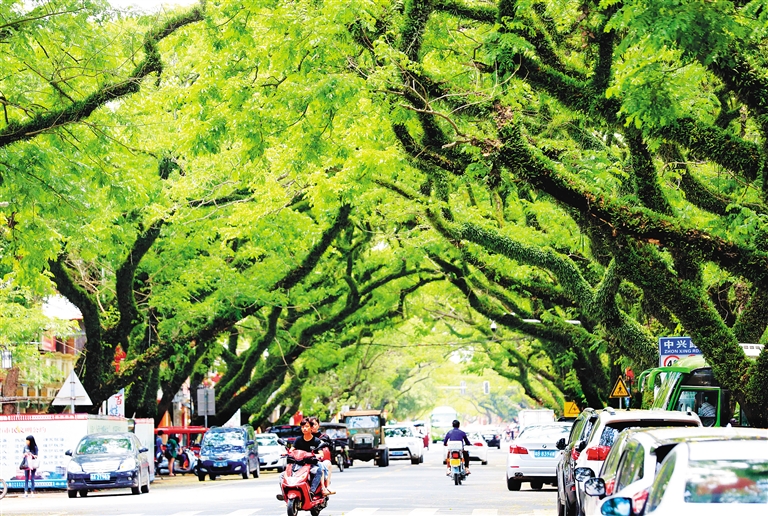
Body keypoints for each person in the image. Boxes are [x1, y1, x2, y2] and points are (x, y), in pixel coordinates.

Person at [293, 418, 331, 497]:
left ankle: (312, 491)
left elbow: (321, 454)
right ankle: (286, 492)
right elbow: (291, 450)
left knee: (319, 471)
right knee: (283, 475)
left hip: (311, 465)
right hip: (299, 465)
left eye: (306, 426)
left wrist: (315, 455)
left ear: (311, 427)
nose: (304, 428)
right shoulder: (298, 440)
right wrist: (286, 453)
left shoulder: (316, 441)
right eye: (302, 427)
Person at [309, 417, 335, 494]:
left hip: (319, 459)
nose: (313, 426)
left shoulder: (324, 437)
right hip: (306, 460)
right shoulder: (305, 437)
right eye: (311, 424)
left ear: (318, 425)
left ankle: (325, 487)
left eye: (315, 424)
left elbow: (331, 447)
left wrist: (325, 444)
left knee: (325, 465)